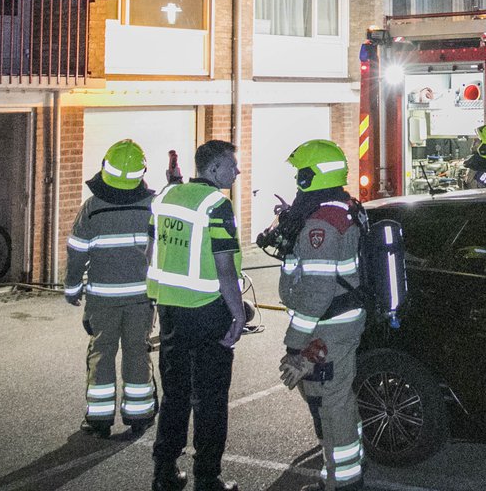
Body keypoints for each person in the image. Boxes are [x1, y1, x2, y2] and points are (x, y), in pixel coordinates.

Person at [267, 140, 367, 491]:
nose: (297, 179)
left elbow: (316, 294)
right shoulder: (342, 208)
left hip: (328, 327)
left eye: (300, 173)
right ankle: (348, 469)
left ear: (311, 176)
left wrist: (295, 343)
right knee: (338, 396)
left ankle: (342, 481)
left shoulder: (320, 224)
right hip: (341, 322)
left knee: (329, 400)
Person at [148, 140, 246, 491]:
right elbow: (224, 267)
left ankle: (164, 472)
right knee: (211, 398)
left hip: (171, 311)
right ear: (215, 168)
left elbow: (151, 250)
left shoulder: (166, 198)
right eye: (232, 165)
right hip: (208, 312)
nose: (237, 171)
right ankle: (208, 476)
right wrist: (238, 315)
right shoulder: (217, 205)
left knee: (175, 394)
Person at [64, 139, 159, 438]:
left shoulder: (92, 208)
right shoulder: (151, 206)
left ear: (106, 167)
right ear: (141, 172)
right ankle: (139, 415)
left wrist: (71, 287)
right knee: (136, 351)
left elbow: (77, 251)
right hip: (141, 299)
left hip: (103, 298)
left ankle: (99, 419)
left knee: (102, 352)